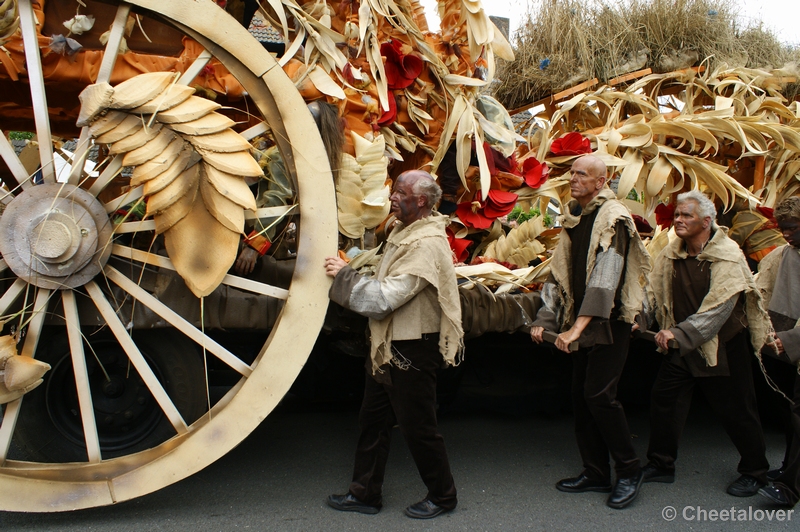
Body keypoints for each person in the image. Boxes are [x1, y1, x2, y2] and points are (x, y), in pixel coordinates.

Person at [324, 170, 464, 519]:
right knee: (373, 420)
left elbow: (383, 300)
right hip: (389, 345)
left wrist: (344, 274)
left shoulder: (426, 244)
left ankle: (443, 496)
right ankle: (365, 494)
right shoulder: (405, 230)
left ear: (421, 201)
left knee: (419, 427)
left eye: (400, 192)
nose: (392, 197)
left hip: (412, 349)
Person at [530, 154, 651, 509]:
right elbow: (559, 276)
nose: (573, 178)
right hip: (581, 319)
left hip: (609, 321)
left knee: (600, 395)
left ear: (602, 182)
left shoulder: (614, 218)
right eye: (572, 172)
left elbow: (606, 280)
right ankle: (596, 471)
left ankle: (629, 470)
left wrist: (577, 329)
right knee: (581, 396)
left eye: (582, 174)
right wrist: (546, 320)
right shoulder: (576, 218)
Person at [643, 190, 771, 497]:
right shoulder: (672, 252)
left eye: (687, 215)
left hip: (722, 347)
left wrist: (679, 333)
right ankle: (661, 464)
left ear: (707, 221)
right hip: (681, 348)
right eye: (677, 215)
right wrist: (640, 316)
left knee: (737, 410)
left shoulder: (727, 253)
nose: (679, 220)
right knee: (665, 402)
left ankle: (755, 471)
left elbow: (720, 306)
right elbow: (654, 290)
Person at [756, 196, 800, 507]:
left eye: (792, 228)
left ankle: (789, 488)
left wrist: (792, 339)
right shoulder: (784, 255)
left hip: (793, 343)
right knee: (791, 412)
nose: (785, 234)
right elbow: (760, 286)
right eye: (782, 228)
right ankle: (788, 467)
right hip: (785, 347)